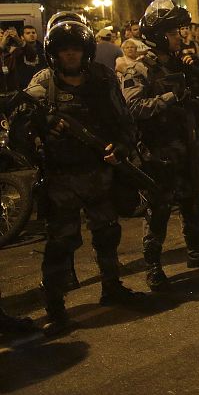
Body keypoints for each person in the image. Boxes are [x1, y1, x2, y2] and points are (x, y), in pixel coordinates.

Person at [24, 20, 145, 333]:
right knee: (61, 242)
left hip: (98, 172)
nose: (70, 55)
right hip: (61, 178)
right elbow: (19, 123)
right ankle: (55, 306)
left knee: (107, 231)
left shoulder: (102, 79)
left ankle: (111, 286)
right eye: (64, 50)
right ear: (54, 53)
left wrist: (121, 147)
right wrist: (41, 125)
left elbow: (124, 120)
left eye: (76, 49)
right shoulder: (43, 84)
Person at [121, 0, 199, 291]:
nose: (181, 37)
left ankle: (195, 251)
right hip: (159, 151)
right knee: (159, 211)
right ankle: (153, 267)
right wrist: (170, 98)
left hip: (189, 145)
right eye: (175, 32)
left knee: (193, 202)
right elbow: (133, 108)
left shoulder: (184, 64)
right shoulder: (140, 69)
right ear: (159, 35)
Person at [8, 24, 47, 89]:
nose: (31, 35)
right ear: (22, 37)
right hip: (24, 86)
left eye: (33, 33)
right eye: (28, 33)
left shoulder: (43, 49)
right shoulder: (16, 50)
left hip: (42, 84)